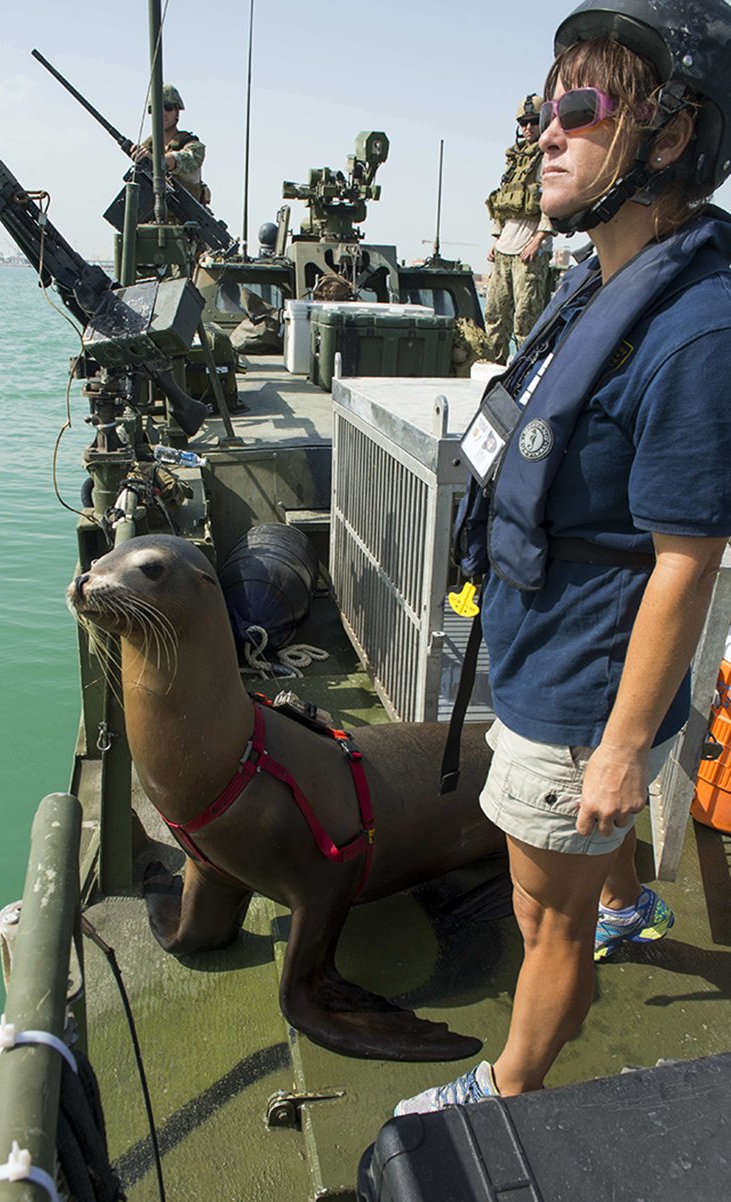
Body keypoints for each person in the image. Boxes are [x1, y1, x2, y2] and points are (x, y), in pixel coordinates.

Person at [397, 0, 731, 1114]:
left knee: (544, 917)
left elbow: (684, 563)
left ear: (672, 134)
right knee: (573, 885)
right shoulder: (602, 274)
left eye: (577, 109)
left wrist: (618, 751)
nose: (544, 131)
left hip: (584, 684)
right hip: (547, 645)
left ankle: (505, 1083)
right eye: (546, 108)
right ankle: (626, 898)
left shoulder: (695, 329)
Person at [484, 95, 554, 364]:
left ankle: (525, 373)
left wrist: (539, 239)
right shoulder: (515, 161)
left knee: (525, 320)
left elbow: (550, 201)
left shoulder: (547, 159)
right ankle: (493, 369)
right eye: (523, 123)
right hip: (505, 248)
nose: (528, 128)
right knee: (494, 316)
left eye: (533, 122)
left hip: (528, 250)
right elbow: (502, 202)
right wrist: (496, 238)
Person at [131, 84, 211, 206]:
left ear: (177, 112)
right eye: (157, 108)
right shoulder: (147, 148)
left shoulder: (194, 147)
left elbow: (182, 160)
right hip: (152, 221)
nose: (163, 113)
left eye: (168, 108)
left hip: (186, 222)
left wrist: (154, 161)